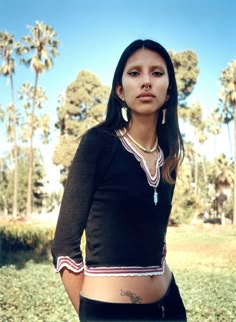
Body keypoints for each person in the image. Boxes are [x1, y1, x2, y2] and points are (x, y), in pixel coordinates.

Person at [51, 39, 187, 322]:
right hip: (110, 313)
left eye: (157, 73)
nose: (146, 82)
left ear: (169, 89)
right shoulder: (98, 144)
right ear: (120, 90)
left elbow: (154, 239)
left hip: (170, 307)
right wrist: (92, 315)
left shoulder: (169, 156)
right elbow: (64, 245)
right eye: (135, 73)